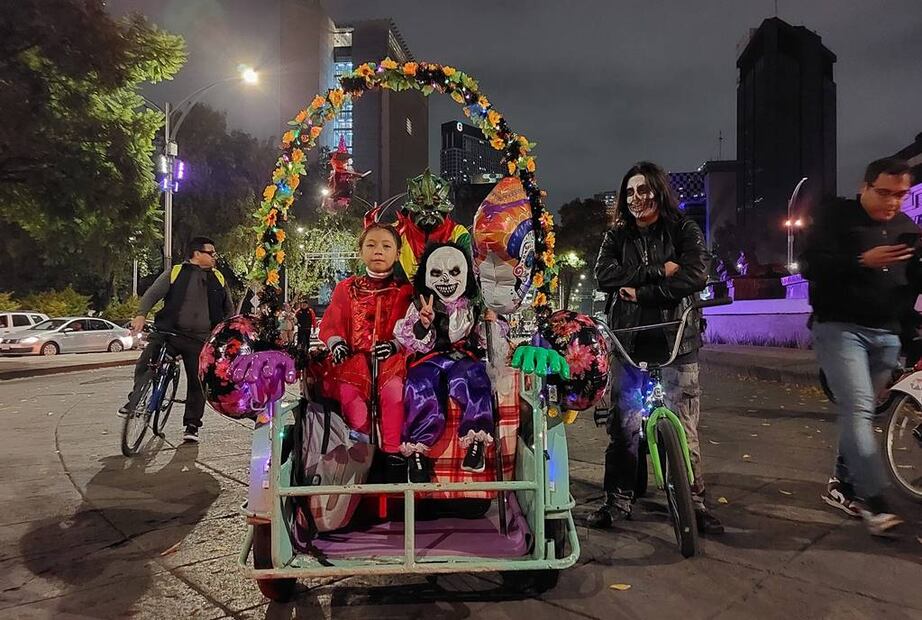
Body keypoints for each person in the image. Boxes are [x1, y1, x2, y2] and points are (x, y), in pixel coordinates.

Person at [587, 161, 721, 534]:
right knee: (623, 425)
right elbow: (605, 275)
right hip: (629, 339)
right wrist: (661, 271)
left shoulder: (683, 229)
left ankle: (694, 502)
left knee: (686, 425)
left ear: (658, 191)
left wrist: (642, 291)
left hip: (678, 339)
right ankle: (617, 499)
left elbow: (696, 274)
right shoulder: (616, 237)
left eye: (643, 190)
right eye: (629, 192)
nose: (636, 198)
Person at [801, 157, 919, 535]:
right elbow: (809, 265)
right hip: (839, 328)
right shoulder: (836, 217)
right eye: (884, 193)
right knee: (857, 407)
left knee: (864, 414)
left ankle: (841, 483)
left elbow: (912, 283)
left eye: (900, 195)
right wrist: (859, 261)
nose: (892, 202)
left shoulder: (907, 229)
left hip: (886, 335)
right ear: (864, 187)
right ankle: (874, 501)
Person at [319, 222, 414, 480]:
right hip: (354, 363)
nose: (378, 251)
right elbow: (332, 323)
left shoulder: (406, 292)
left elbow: (412, 328)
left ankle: (393, 458)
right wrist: (337, 343)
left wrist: (396, 345)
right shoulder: (346, 288)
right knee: (352, 399)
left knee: (394, 395)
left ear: (397, 252)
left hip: (393, 362)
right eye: (371, 245)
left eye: (386, 246)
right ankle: (360, 458)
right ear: (361, 251)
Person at [394, 242, 496, 482]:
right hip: (430, 358)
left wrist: (491, 322)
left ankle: (476, 444)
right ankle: (417, 453)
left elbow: (482, 338)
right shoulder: (419, 305)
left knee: (473, 379)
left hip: (463, 357)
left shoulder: (473, 305)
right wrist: (424, 324)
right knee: (420, 385)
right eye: (437, 273)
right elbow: (412, 339)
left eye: (454, 272)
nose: (446, 279)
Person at [119, 237, 234, 443]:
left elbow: (229, 309)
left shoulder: (218, 277)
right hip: (169, 333)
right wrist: (141, 314)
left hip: (200, 340)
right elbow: (152, 294)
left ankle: (192, 425)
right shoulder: (175, 272)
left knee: (197, 382)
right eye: (211, 253)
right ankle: (135, 400)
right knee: (146, 361)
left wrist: (224, 334)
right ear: (197, 254)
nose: (215, 257)